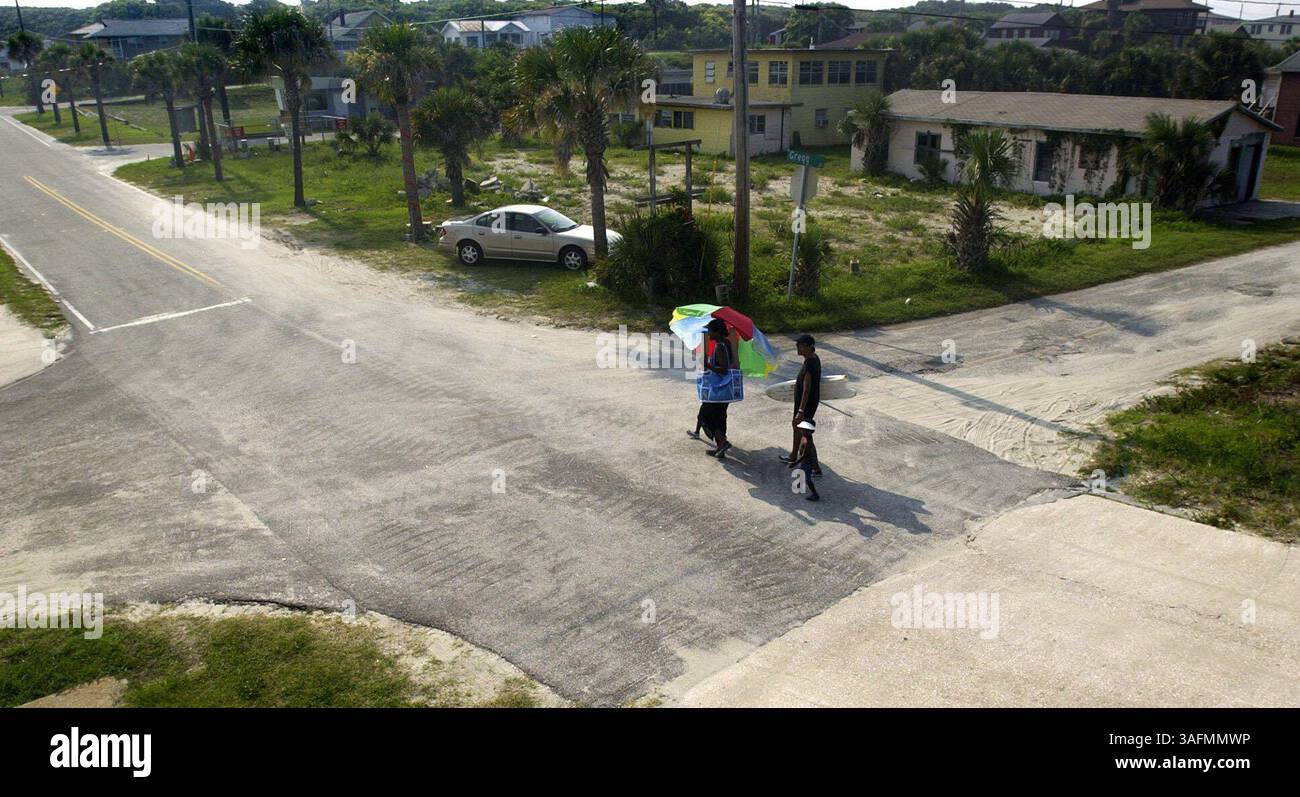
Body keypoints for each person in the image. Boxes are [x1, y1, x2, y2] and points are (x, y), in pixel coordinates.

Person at [780, 334, 821, 479]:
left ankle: (816, 469)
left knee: (806, 436)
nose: (798, 348)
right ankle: (793, 455)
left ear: (809, 347)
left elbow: (807, 389)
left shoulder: (810, 363)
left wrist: (801, 411)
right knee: (798, 429)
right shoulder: (812, 359)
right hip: (806, 403)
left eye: (800, 345)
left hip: (806, 404)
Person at [699, 319, 734, 460]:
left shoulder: (720, 346)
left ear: (717, 331)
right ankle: (720, 448)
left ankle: (723, 443)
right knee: (720, 417)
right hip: (725, 390)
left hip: (719, 389)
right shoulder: (727, 343)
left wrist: (708, 365)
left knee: (704, 416)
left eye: (710, 330)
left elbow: (724, 369)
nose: (708, 333)